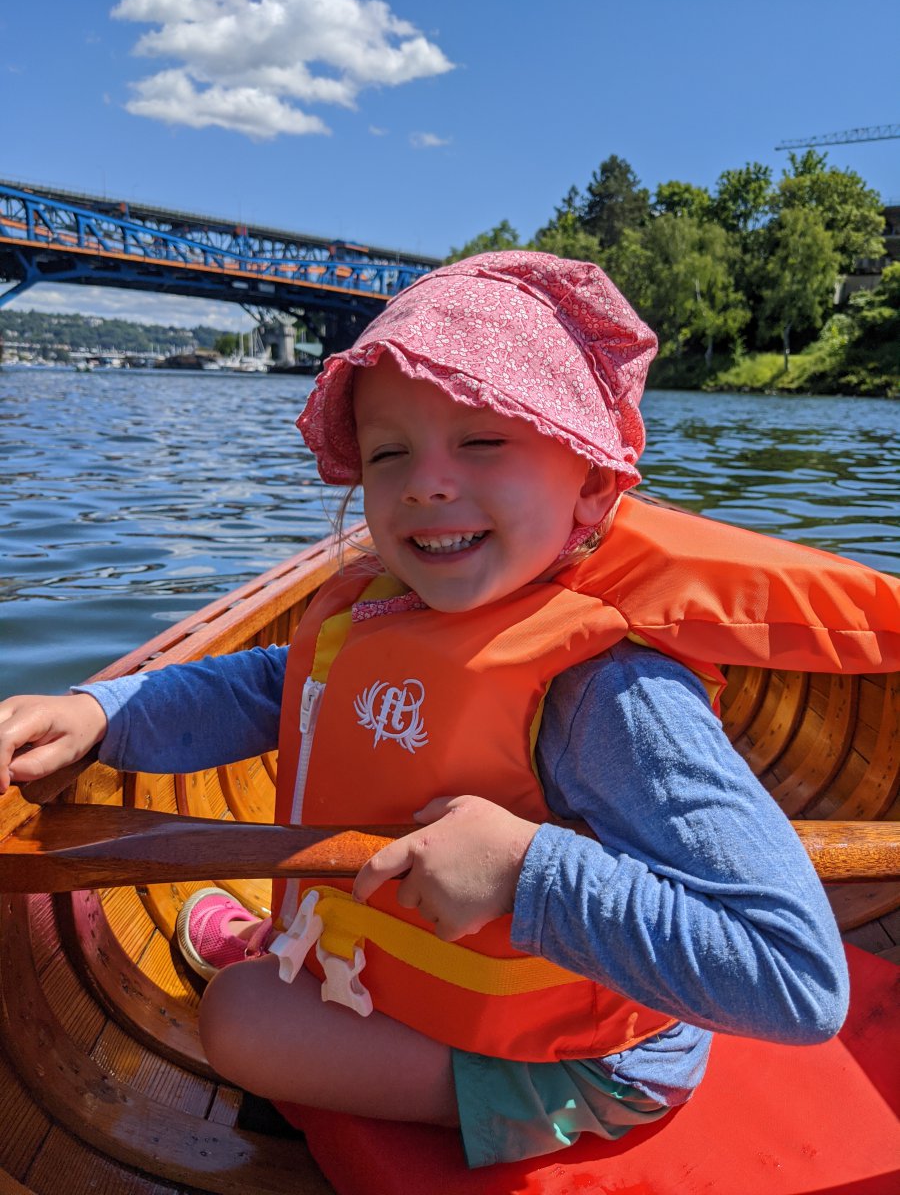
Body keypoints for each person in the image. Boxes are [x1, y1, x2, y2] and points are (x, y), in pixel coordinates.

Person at [0, 253, 858, 1170]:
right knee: (258, 1004)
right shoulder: (390, 607)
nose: (425, 483)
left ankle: (457, 1064)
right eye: (388, 452)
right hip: (408, 969)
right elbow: (266, 689)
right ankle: (306, 947)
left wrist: (527, 872)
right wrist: (103, 711)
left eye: (484, 441)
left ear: (595, 484)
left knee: (242, 1019)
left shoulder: (614, 696)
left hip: (594, 1060)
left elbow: (797, 979)